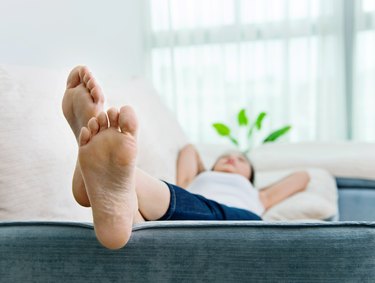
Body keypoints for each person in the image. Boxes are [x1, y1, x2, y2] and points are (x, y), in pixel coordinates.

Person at [62, 66, 310, 250]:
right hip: (178, 213)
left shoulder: (259, 196)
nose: (233, 159)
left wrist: (260, 188)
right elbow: (189, 150)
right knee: (138, 208)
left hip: (240, 223)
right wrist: (204, 170)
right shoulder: (196, 180)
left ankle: (104, 172)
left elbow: (303, 177)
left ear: (250, 178)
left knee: (193, 206)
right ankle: (112, 181)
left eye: (241, 161)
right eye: (225, 157)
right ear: (211, 166)